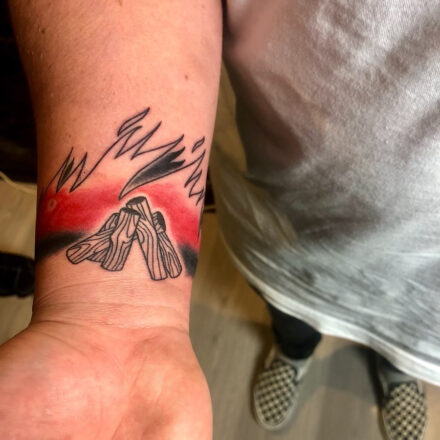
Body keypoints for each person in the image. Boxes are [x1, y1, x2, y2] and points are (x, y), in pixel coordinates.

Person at [0, 1, 438, 440]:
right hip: (281, 225)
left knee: (404, 342)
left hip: (426, 282)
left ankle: (399, 373)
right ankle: (294, 354)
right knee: (290, 316)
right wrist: (105, 312)